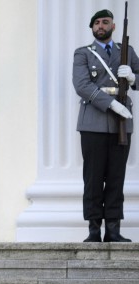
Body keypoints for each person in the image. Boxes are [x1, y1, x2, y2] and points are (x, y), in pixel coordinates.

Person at [73, 8, 139, 242]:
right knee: (93, 177)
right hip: (94, 122)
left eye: (106, 22)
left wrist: (132, 77)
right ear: (92, 28)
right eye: (97, 23)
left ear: (113, 26)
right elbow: (82, 85)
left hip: (121, 123)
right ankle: (93, 230)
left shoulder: (127, 52)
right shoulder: (83, 54)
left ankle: (113, 230)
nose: (101, 26)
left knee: (116, 177)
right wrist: (111, 104)